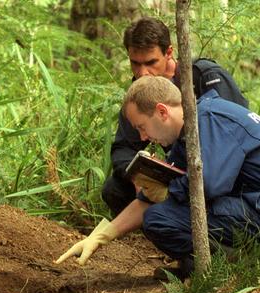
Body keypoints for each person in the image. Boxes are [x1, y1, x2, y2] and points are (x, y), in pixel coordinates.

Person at [56, 76, 260, 280]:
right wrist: (101, 236)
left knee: (161, 220)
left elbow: (208, 184)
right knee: (159, 216)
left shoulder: (209, 120)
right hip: (250, 205)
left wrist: (168, 192)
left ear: (162, 112)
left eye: (142, 126)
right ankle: (207, 269)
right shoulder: (189, 132)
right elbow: (150, 199)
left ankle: (255, 270)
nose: (142, 137)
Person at [103, 17, 248, 216]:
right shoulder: (138, 94)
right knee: (115, 189)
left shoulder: (204, 77)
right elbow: (123, 147)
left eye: (151, 62)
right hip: (179, 171)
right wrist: (139, 176)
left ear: (169, 53)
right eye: (135, 63)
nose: (142, 72)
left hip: (221, 172)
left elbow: (238, 131)